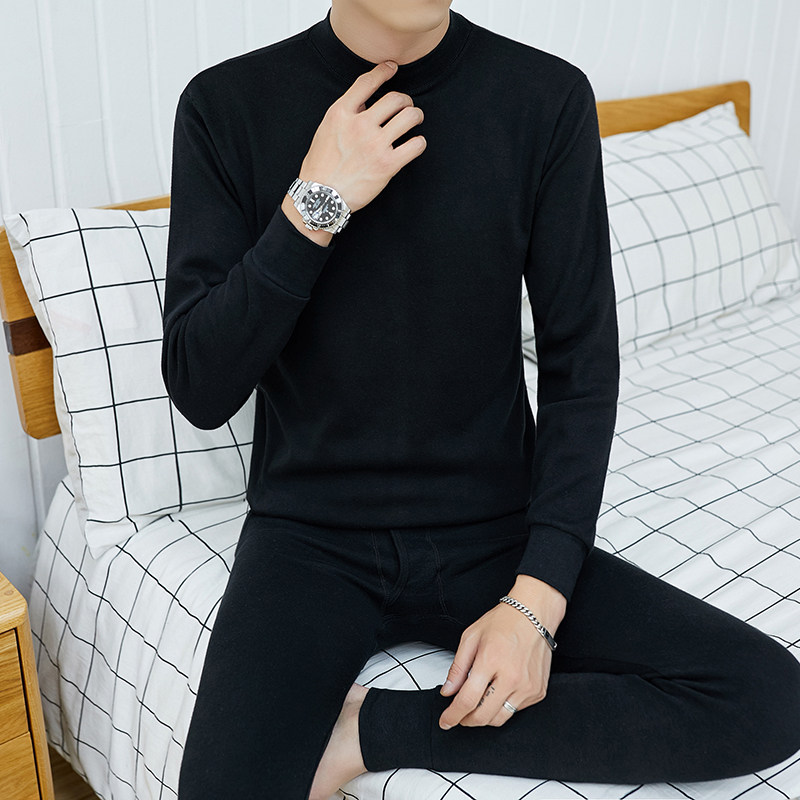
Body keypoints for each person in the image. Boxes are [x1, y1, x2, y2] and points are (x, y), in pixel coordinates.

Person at [161, 1, 800, 798]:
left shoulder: (544, 97)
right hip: (311, 538)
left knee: (764, 696)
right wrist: (318, 200)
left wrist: (535, 602)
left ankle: (361, 731)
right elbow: (200, 386)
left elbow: (580, 365)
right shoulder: (226, 105)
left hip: (496, 530)